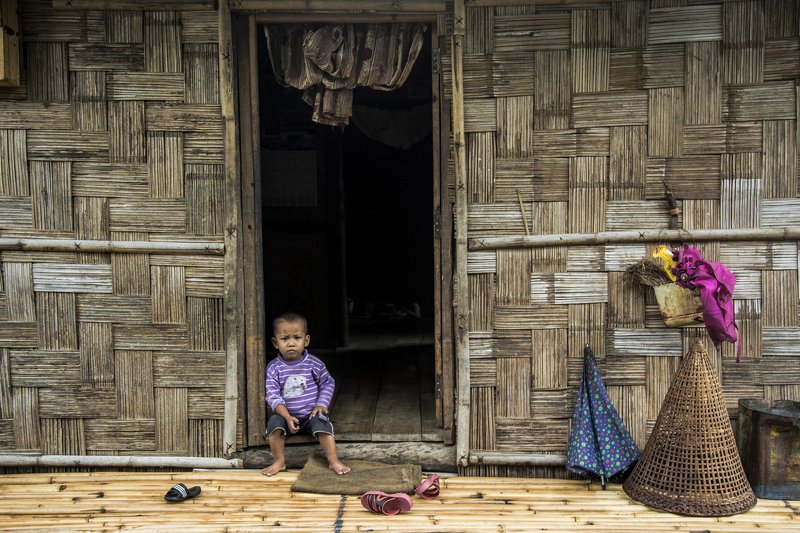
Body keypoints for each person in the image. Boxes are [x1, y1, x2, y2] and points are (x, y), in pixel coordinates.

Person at [261, 312, 351, 477]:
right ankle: (279, 461)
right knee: (274, 425)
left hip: (311, 415)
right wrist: (287, 417)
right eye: (284, 338)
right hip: (285, 416)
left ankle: (333, 460)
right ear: (275, 342)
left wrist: (321, 404)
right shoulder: (274, 368)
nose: (291, 343)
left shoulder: (314, 364)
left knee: (323, 424)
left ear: (306, 340)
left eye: (297, 338)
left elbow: (327, 382)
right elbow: (272, 395)